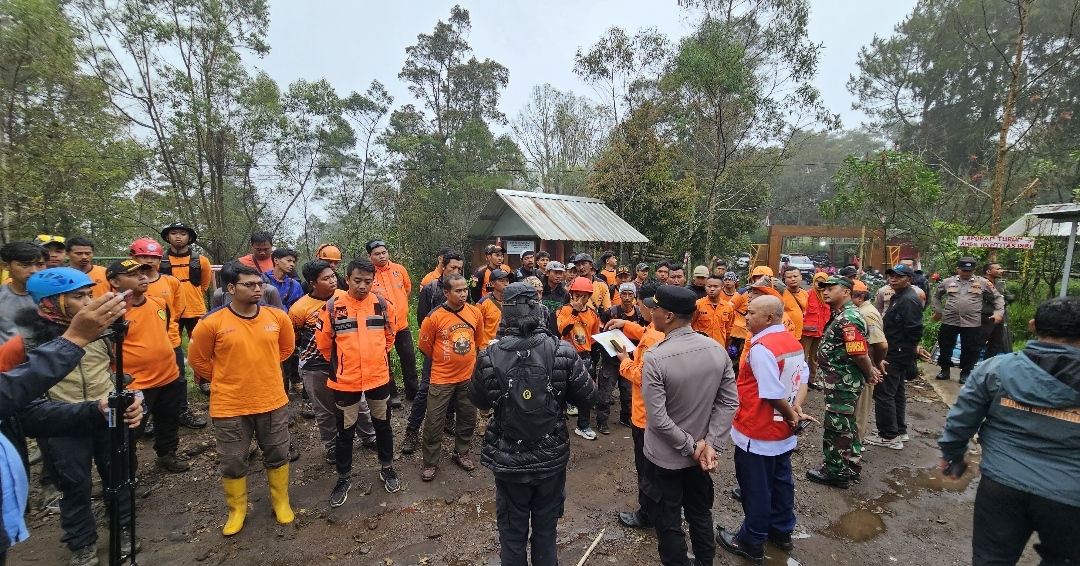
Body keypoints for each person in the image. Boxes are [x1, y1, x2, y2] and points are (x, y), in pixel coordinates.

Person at [0, 269, 140, 565]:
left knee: (118, 477)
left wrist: (130, 395)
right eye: (79, 297)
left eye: (90, 294)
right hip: (59, 424)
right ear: (51, 303)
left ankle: (124, 529)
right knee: (75, 486)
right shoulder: (22, 344)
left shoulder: (102, 333)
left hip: (107, 416)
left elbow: (112, 371)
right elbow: (14, 394)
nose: (89, 302)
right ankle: (82, 542)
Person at [938, 296, 1080, 566]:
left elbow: (962, 418)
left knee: (991, 559)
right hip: (1070, 495)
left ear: (1033, 326)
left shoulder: (997, 369)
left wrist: (952, 455)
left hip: (1002, 485)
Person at [468, 282, 597, 566]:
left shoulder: (489, 355)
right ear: (538, 311)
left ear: (505, 313)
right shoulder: (562, 351)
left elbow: (477, 399)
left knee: (512, 534)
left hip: (509, 459)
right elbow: (589, 397)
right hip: (550, 457)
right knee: (545, 531)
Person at [188, 264, 296, 535]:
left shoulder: (277, 317)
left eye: (259, 283)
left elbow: (286, 349)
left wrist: (263, 369)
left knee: (277, 452)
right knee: (233, 459)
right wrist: (227, 377)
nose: (257, 288)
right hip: (230, 405)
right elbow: (198, 360)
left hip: (271, 399)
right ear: (231, 289)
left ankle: (280, 501)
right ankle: (237, 510)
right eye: (249, 284)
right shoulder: (211, 323)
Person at [640, 285, 738, 566]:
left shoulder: (656, 357)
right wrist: (710, 444)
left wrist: (691, 447)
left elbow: (658, 419)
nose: (652, 312)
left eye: (655, 308)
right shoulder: (716, 350)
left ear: (668, 315)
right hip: (701, 458)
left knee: (668, 521)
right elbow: (728, 403)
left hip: (666, 459)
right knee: (699, 513)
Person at [717, 295, 810, 563]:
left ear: (769, 318)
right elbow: (802, 378)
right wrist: (795, 410)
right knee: (781, 482)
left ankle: (751, 539)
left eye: (751, 313)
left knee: (756, 487)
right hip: (782, 432)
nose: (745, 317)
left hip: (758, 431)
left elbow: (770, 393)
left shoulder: (761, 348)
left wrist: (791, 413)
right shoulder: (792, 342)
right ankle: (781, 532)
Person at [315, 258, 401, 502]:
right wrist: (346, 364)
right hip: (345, 381)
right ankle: (343, 477)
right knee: (345, 432)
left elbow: (389, 337)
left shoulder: (382, 305)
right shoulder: (333, 307)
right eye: (357, 281)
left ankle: (387, 467)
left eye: (368, 281)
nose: (363, 286)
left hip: (378, 378)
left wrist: (375, 360)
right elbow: (324, 345)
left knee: (383, 425)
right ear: (347, 278)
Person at [106, 260, 190, 473]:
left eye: (143, 272)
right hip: (135, 384)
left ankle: (167, 454)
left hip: (168, 376)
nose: (142, 276)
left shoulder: (159, 303)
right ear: (115, 281)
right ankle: (125, 476)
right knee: (130, 431)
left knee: (168, 421)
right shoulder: (110, 313)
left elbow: (166, 330)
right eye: (133, 274)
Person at [290, 260, 375, 465]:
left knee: (359, 403)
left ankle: (369, 437)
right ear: (313, 283)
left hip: (346, 363)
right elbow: (293, 339)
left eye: (332, 276)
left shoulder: (344, 297)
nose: (332, 281)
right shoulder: (299, 309)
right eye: (325, 278)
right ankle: (331, 445)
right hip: (315, 365)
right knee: (324, 409)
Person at [806, 277, 880, 489]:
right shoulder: (843, 315)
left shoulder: (848, 318)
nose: (826, 292)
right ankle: (851, 466)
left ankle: (836, 472)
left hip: (843, 382)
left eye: (831, 288)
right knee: (847, 424)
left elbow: (858, 353)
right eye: (824, 289)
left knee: (837, 426)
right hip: (840, 380)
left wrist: (868, 373)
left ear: (846, 291)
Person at [129, 238, 206, 430]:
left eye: (154, 257)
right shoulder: (126, 282)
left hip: (169, 340)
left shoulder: (171, 282)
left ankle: (181, 411)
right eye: (143, 256)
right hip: (138, 342)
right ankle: (146, 418)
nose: (149, 261)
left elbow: (177, 310)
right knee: (139, 381)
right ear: (133, 258)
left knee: (177, 378)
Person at [608, 279, 663, 529]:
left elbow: (642, 376)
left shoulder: (653, 339)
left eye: (640, 304)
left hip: (646, 415)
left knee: (647, 468)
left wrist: (624, 359)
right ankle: (663, 507)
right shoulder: (662, 330)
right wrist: (625, 324)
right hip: (662, 414)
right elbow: (645, 332)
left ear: (650, 308)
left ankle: (648, 514)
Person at [416, 274, 482, 481]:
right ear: (446, 292)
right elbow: (425, 346)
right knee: (434, 421)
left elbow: (477, 341)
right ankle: (430, 462)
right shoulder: (434, 317)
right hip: (441, 378)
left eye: (465, 290)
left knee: (468, 417)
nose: (463, 294)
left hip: (467, 377)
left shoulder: (474, 313)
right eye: (458, 291)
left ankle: (461, 452)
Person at [405, 251, 467, 454]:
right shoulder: (431, 288)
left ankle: (449, 419)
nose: (456, 271)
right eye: (453, 268)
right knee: (425, 390)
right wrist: (434, 350)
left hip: (459, 350)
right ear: (443, 267)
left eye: (460, 268)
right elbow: (423, 321)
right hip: (436, 352)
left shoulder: (462, 288)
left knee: (457, 389)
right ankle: (412, 430)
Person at [867, 264, 924, 450]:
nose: (893, 279)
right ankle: (898, 430)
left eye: (899, 276)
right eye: (891, 275)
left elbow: (914, 328)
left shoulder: (909, 299)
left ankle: (889, 436)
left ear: (909, 279)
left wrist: (910, 348)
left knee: (884, 393)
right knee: (896, 392)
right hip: (898, 350)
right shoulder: (899, 296)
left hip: (896, 352)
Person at [158, 222, 213, 410]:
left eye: (182, 233)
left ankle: (204, 380)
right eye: (174, 233)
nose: (178, 237)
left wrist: (192, 294)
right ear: (167, 237)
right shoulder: (160, 260)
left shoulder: (202, 261)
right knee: (168, 346)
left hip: (195, 309)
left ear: (189, 237)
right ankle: (169, 379)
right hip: (168, 310)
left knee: (201, 347)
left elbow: (204, 284)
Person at [932, 257, 1003, 383]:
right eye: (963, 270)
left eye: (969, 271)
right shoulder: (948, 282)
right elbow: (937, 296)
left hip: (972, 322)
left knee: (970, 348)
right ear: (957, 269)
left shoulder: (983, 283)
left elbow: (997, 298)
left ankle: (965, 373)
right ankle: (944, 370)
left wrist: (998, 313)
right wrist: (937, 311)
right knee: (945, 345)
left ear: (974, 270)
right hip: (949, 320)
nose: (966, 273)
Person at [367, 239, 417, 406]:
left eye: (384, 252)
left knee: (408, 357)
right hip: (380, 327)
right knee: (384, 360)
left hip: (401, 324)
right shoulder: (368, 274)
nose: (382, 256)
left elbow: (407, 289)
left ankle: (413, 392)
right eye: (377, 254)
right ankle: (391, 394)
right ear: (369, 256)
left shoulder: (399, 269)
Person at [558, 277, 602, 440]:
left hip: (584, 356)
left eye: (584, 296)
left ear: (589, 297)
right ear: (571, 294)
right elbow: (562, 330)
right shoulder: (563, 310)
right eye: (577, 295)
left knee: (586, 392)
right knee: (559, 390)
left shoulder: (593, 314)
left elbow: (595, 338)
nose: (580, 299)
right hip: (565, 355)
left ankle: (583, 426)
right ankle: (557, 427)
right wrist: (575, 312)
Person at [601, 282, 646, 430]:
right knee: (605, 392)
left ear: (634, 296)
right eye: (624, 294)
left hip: (631, 358)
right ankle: (602, 421)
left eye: (630, 294)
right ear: (619, 295)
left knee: (628, 392)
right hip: (611, 359)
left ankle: (626, 417)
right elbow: (602, 332)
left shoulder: (640, 313)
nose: (627, 298)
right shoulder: (611, 312)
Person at [850, 280, 888, 446]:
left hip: (866, 367)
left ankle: (855, 445)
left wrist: (876, 362)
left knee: (860, 410)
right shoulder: (860, 310)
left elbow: (880, 344)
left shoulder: (866, 313)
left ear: (859, 297)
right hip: (862, 366)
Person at [0, 243, 47, 344]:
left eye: (40, 265)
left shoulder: (56, 296)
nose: (34, 271)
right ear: (5, 265)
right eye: (25, 265)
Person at [801, 272, 831, 389]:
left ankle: (811, 381)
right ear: (814, 282)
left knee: (815, 357)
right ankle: (800, 381)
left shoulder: (828, 296)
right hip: (807, 332)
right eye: (817, 281)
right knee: (803, 356)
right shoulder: (807, 295)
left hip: (821, 332)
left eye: (822, 282)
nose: (820, 284)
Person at [979, 262, 1011, 358]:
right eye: (998, 269)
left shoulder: (999, 284)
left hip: (998, 316)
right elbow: (993, 298)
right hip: (985, 316)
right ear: (988, 271)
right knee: (979, 341)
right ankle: (968, 367)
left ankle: (986, 364)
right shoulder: (981, 282)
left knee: (996, 343)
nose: (1001, 271)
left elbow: (1007, 297)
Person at [692, 274, 734, 349]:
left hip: (719, 347)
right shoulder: (698, 305)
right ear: (705, 287)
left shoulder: (728, 307)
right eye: (709, 286)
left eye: (715, 286)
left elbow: (728, 331)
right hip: (700, 347)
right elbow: (690, 325)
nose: (712, 289)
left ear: (722, 287)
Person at [477, 269, 509, 349]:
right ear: (492, 283)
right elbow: (477, 328)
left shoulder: (512, 301)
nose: (505, 284)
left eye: (507, 280)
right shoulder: (483, 303)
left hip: (506, 347)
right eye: (501, 281)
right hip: (487, 348)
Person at [780, 266, 808, 340]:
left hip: (800, 333)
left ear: (801, 277)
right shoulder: (781, 294)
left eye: (795, 276)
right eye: (789, 277)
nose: (793, 279)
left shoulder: (805, 294)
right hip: (784, 333)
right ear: (785, 280)